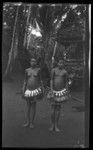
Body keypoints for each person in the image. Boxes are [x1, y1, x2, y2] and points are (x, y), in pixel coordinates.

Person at [47, 60, 69, 132]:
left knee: (58, 108)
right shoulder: (54, 70)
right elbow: (51, 80)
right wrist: (51, 89)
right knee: (53, 109)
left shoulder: (65, 72)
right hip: (53, 91)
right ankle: (52, 125)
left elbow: (66, 82)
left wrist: (66, 91)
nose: (61, 64)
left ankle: (56, 125)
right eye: (59, 63)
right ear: (57, 63)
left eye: (62, 63)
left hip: (61, 92)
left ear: (63, 64)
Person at [22, 58, 44, 128]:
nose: (33, 62)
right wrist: (23, 88)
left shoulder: (38, 70)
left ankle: (32, 122)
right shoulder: (27, 70)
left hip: (35, 90)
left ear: (36, 62)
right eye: (32, 61)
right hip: (28, 90)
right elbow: (25, 80)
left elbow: (40, 80)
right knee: (28, 106)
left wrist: (42, 88)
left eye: (34, 61)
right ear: (30, 62)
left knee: (33, 106)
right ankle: (27, 122)